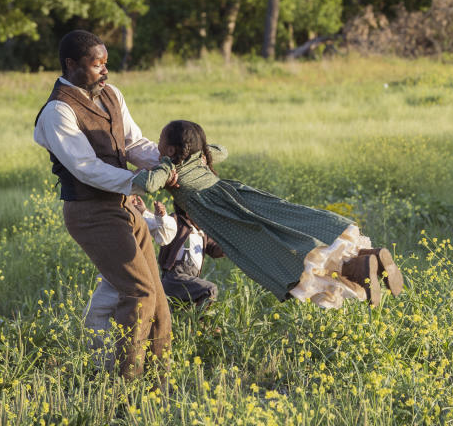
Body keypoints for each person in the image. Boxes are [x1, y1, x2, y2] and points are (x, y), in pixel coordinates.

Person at [132, 120, 404, 308]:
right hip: (241, 197)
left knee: (276, 252)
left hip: (226, 220)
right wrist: (204, 152)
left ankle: (351, 268)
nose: (156, 146)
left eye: (159, 143)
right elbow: (222, 151)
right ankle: (368, 257)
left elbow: (148, 184)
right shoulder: (202, 158)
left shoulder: (169, 166)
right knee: (287, 225)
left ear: (169, 150)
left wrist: (154, 172)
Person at [34, 30, 178, 378]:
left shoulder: (111, 95)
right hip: (90, 212)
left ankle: (159, 381)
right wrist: (141, 181)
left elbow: (132, 143)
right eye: (96, 64)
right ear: (71, 64)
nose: (104, 71)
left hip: (126, 205)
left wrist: (165, 164)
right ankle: (125, 380)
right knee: (139, 291)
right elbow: (86, 168)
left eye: (105, 63)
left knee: (156, 294)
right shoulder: (57, 111)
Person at [84, 197, 177, 369]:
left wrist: (156, 215)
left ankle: (143, 366)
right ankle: (102, 366)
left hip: (138, 281)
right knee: (93, 315)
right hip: (110, 280)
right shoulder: (106, 215)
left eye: (133, 195)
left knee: (142, 321)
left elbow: (165, 237)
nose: (131, 198)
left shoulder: (138, 216)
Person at [158, 206, 225, 308]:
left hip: (190, 279)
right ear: (188, 213)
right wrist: (162, 215)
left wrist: (229, 246)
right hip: (175, 276)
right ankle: (199, 322)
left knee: (179, 316)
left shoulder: (203, 233)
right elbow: (166, 224)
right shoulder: (178, 222)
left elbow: (215, 250)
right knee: (210, 289)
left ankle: (194, 322)